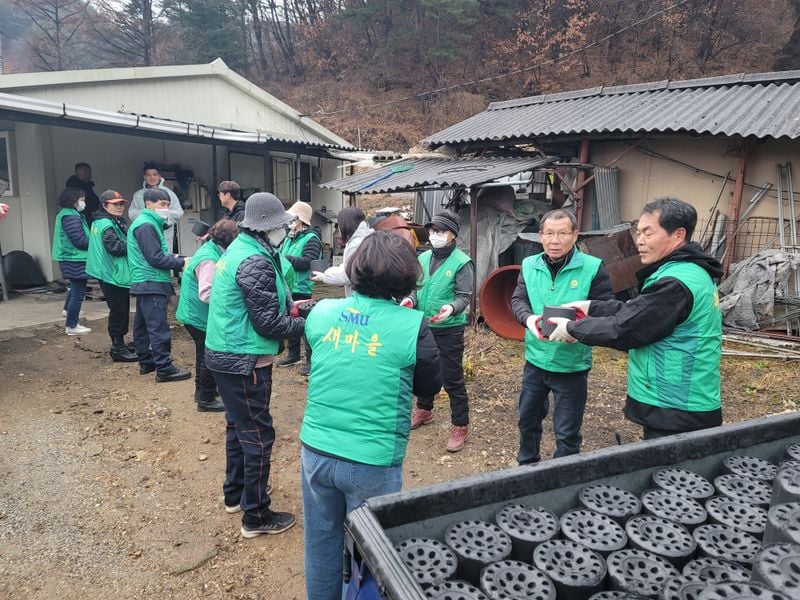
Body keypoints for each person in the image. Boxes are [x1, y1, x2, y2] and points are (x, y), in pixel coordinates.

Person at [300, 231, 442, 600]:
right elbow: (429, 383)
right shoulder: (412, 325)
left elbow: (321, 359)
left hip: (316, 449)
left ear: (355, 269)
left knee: (321, 539)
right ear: (406, 277)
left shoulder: (322, 312)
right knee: (371, 552)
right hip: (372, 460)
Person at [547, 198, 723, 440]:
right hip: (681, 395)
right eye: (638, 233)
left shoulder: (674, 283)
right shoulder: (686, 272)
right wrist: (591, 307)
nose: (639, 241)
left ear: (678, 235)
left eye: (648, 233)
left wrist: (571, 327)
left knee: (667, 463)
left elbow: (626, 328)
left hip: (676, 401)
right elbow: (640, 311)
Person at [205, 192, 305, 538]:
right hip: (244, 359)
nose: (285, 230)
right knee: (259, 436)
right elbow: (268, 324)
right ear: (266, 227)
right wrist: (311, 323)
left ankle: (236, 494)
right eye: (281, 226)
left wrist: (296, 309)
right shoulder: (255, 260)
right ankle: (256, 515)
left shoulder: (243, 249)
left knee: (238, 426)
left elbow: (265, 305)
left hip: (227, 354)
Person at [510, 209, 613, 465]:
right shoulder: (529, 265)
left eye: (562, 234)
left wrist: (579, 332)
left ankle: (563, 475)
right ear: (540, 236)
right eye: (549, 234)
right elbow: (518, 299)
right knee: (527, 420)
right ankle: (526, 466)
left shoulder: (592, 268)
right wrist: (529, 319)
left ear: (575, 235)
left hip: (571, 365)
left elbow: (605, 311)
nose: (554, 241)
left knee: (567, 432)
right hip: (535, 361)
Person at [406, 209, 474, 452]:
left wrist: (451, 308)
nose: (435, 235)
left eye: (441, 231)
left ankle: (460, 425)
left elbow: (464, 297)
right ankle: (424, 410)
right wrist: (410, 300)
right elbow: (415, 288)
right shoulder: (423, 258)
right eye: (433, 230)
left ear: (452, 234)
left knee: (451, 378)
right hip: (423, 325)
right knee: (423, 368)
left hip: (449, 329)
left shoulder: (462, 263)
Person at [127, 188, 191, 383]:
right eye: (162, 204)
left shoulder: (148, 223)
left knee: (142, 325)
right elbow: (155, 258)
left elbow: (157, 253)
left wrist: (179, 257)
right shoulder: (146, 226)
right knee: (158, 326)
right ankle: (164, 368)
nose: (166, 208)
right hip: (151, 280)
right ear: (148, 204)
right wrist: (182, 263)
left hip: (144, 280)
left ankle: (146, 361)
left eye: (167, 204)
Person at [176, 219, 239, 412]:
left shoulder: (212, 250)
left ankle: (202, 391)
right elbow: (206, 294)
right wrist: (234, 298)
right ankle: (205, 398)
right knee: (207, 355)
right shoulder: (209, 259)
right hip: (197, 315)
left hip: (196, 313)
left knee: (203, 353)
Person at [85, 190, 138, 362]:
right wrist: (135, 243)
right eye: (115, 204)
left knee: (118, 308)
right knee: (119, 309)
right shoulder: (107, 224)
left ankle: (120, 344)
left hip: (105, 271)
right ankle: (118, 348)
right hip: (111, 273)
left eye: (121, 203)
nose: (120, 207)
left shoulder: (100, 221)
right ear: (104, 205)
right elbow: (116, 248)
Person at [277, 200, 322, 375]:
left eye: (293, 218)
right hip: (288, 286)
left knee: (306, 324)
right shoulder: (290, 237)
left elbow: (307, 263)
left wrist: (285, 259)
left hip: (302, 287)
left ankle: (311, 360)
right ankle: (293, 354)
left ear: (300, 219)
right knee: (291, 321)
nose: (290, 221)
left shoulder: (312, 239)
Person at [52, 188, 92, 336]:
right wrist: (96, 241)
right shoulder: (71, 217)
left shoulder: (68, 214)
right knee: (78, 293)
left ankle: (67, 310)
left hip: (71, 257)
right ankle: (72, 325)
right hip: (74, 258)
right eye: (81, 199)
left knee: (75, 288)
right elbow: (79, 241)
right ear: (73, 200)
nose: (83, 203)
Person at [310, 206, 373, 297]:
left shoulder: (356, 244)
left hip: (362, 296)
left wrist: (325, 276)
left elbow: (348, 274)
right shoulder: (366, 237)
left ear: (346, 224)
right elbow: (349, 265)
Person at [129, 163, 184, 253]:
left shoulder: (169, 193)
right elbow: (132, 213)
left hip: (164, 234)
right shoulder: (138, 195)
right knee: (146, 255)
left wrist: (162, 215)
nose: (152, 178)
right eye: (148, 175)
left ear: (159, 176)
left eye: (154, 175)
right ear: (144, 177)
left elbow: (179, 212)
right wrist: (147, 215)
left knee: (163, 256)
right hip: (145, 232)